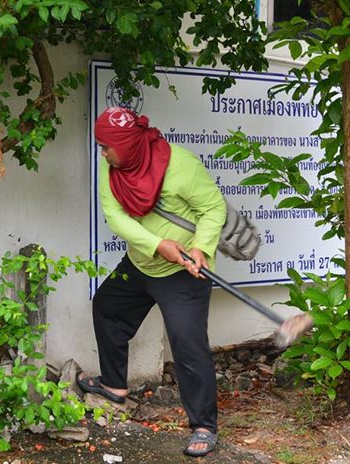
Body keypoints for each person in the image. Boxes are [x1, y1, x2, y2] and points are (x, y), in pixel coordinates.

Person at [77, 106, 227, 457]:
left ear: (127, 145)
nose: (102, 153)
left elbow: (213, 208)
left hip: (182, 272)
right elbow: (115, 216)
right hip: (142, 262)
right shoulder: (112, 167)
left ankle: (204, 425)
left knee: (188, 346)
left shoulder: (180, 165)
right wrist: (158, 245)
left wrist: (202, 248)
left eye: (106, 146)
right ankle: (115, 387)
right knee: (108, 308)